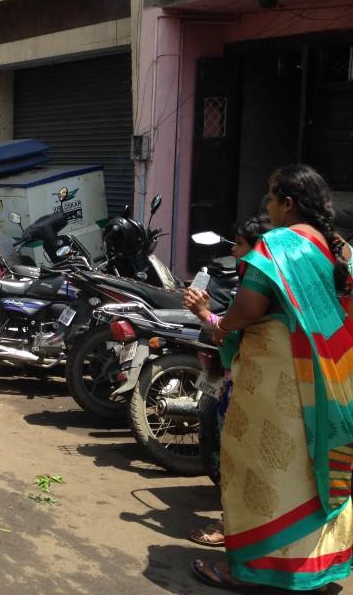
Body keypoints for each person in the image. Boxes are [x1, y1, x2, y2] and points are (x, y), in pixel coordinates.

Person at [191, 165, 353, 591]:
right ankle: (311, 569)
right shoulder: (336, 248)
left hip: (278, 376)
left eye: (269, 196)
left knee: (262, 466)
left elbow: (248, 309)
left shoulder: (278, 245)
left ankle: (249, 571)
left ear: (288, 203)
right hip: (329, 375)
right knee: (306, 467)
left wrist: (218, 325)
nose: (266, 205)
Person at [183, 214, 269, 548]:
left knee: (239, 461)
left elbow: (231, 333)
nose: (235, 252)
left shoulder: (260, 288)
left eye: (241, 244)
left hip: (248, 387)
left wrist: (204, 314)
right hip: (253, 385)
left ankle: (232, 527)